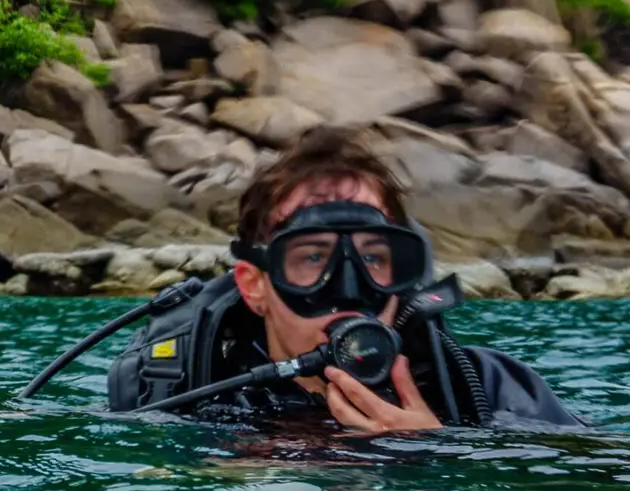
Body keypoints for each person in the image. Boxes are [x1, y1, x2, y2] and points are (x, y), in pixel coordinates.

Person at [102, 126, 579, 430]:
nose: (349, 290)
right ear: (254, 285)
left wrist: (432, 453)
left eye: (373, 258)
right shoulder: (180, 398)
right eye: (312, 258)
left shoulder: (488, 390)